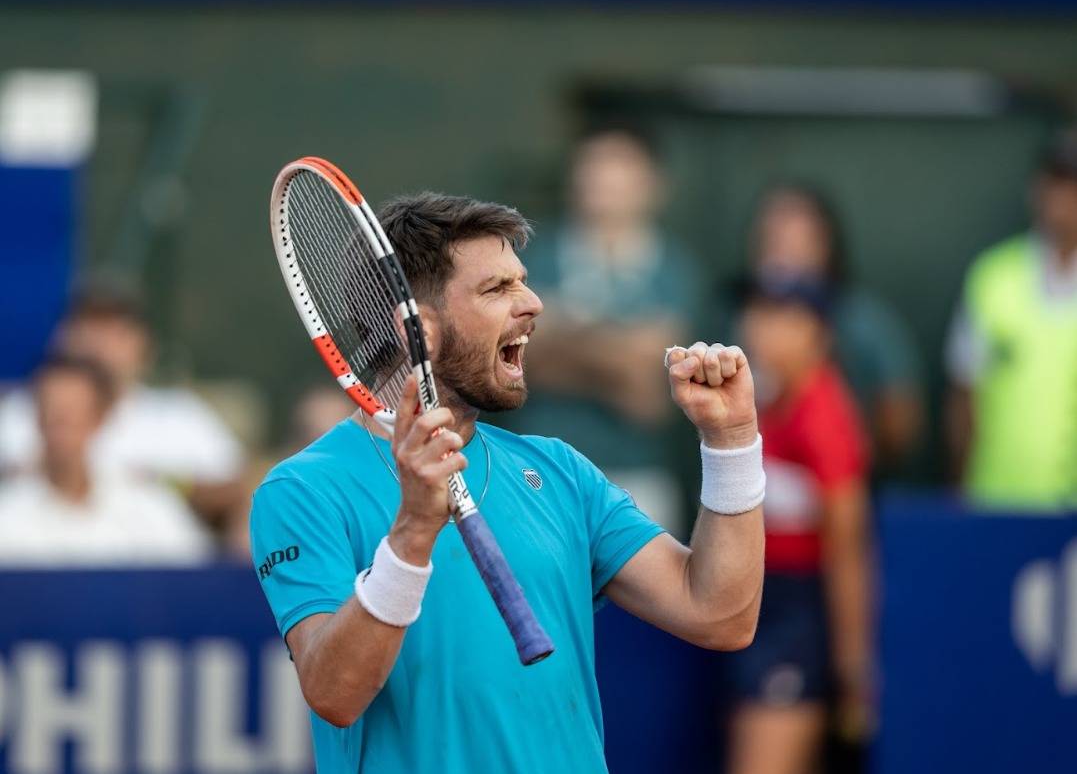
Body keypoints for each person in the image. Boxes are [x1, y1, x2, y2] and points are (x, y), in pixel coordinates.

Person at [249, 194, 765, 772]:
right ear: (417, 330)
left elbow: (721, 615)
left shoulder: (560, 471)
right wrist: (414, 531)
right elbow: (333, 694)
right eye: (497, 289)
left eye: (522, 281)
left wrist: (731, 440)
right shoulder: (302, 491)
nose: (533, 302)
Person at [509, 125, 701, 532]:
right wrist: (623, 354)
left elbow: (648, 394)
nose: (603, 181)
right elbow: (525, 364)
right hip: (542, 470)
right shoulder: (529, 257)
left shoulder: (675, 269)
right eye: (593, 166)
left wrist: (565, 332)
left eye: (619, 167)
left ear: (652, 183)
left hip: (639, 477)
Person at [723, 276, 873, 774]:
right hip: (755, 609)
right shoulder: (761, 403)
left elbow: (848, 549)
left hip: (797, 618)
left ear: (818, 333)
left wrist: (852, 669)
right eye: (756, 312)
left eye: (781, 316)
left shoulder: (824, 415)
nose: (759, 327)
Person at [0, 285, 247, 529]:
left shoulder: (179, 415)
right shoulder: (19, 412)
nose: (100, 345)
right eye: (89, 328)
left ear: (144, 344)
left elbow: (237, 490)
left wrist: (161, 481)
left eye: (116, 333)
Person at [741, 184, 923, 474]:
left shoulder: (863, 321)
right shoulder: (742, 314)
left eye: (796, 241)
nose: (783, 256)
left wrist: (848, 455)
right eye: (772, 240)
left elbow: (900, 420)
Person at [945, 129, 1077, 511]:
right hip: (998, 503)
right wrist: (960, 490)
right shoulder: (993, 277)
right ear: (1037, 189)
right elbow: (963, 395)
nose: (1064, 200)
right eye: (1057, 183)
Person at [0, 356, 212, 566]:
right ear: (37, 417)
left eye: (72, 413)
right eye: (51, 412)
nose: (60, 425)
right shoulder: (9, 512)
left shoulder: (149, 506)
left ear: (99, 418)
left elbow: (193, 573)